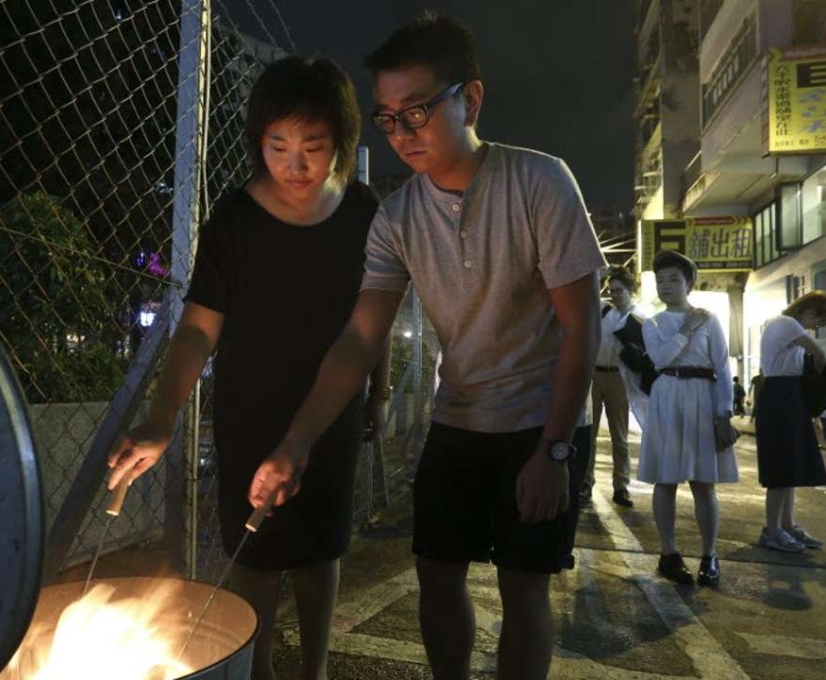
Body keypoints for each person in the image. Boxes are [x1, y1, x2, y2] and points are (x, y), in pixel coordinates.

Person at [249, 13, 605, 680]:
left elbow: (582, 327)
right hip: (459, 416)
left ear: (469, 99)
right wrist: (294, 443)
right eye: (387, 118)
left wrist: (555, 451)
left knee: (524, 584)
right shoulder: (398, 217)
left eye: (416, 112)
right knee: (437, 574)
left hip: (542, 418)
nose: (401, 135)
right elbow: (360, 337)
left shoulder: (540, 183)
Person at [106, 56, 387, 680]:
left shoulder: (366, 213)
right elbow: (199, 329)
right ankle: (252, 670)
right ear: (258, 142)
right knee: (252, 555)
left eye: (313, 147)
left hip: (330, 413)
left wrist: (380, 393)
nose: (295, 164)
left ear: (340, 142)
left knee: (320, 551)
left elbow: (370, 330)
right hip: (249, 411)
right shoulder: (234, 219)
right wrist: (160, 419)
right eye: (277, 145)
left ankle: (313, 668)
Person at [637, 250, 739, 585]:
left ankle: (710, 556)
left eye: (673, 279)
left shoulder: (709, 320)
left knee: (703, 484)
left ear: (689, 283)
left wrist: (724, 413)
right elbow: (660, 358)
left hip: (703, 396)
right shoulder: (651, 323)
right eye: (660, 280)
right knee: (665, 481)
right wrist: (686, 330)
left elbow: (722, 366)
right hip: (667, 395)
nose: (665, 285)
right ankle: (668, 553)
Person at [755, 291, 826, 553]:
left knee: (787, 465)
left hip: (780, 393)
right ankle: (773, 530)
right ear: (809, 310)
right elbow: (820, 353)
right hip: (783, 394)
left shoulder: (778, 324)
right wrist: (821, 374)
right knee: (782, 465)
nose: (814, 328)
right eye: (818, 321)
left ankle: (787, 525)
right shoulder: (788, 324)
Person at [582, 267, 638, 508]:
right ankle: (586, 483)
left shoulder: (637, 317)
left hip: (618, 378)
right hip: (594, 375)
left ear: (630, 292)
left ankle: (621, 486)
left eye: (620, 290)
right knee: (589, 435)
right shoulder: (601, 310)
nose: (614, 294)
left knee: (620, 436)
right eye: (611, 290)